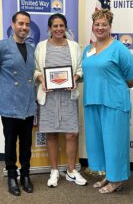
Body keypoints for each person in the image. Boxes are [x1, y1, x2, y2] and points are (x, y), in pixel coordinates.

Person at [82, 9, 133, 194]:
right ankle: (109, 175)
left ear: (110, 26)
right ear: (93, 26)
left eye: (104, 24)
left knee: (115, 143)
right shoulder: (87, 50)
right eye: (97, 24)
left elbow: (131, 77)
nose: (100, 27)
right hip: (93, 101)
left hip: (114, 102)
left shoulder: (119, 48)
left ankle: (117, 180)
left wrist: (114, 88)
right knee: (99, 143)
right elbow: (86, 72)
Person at [0, 11, 36, 196]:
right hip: (9, 103)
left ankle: (26, 175)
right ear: (13, 25)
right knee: (10, 141)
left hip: (28, 103)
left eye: (27, 24)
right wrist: (7, 83)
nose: (24, 27)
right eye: (20, 23)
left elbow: (31, 74)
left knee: (26, 143)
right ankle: (12, 176)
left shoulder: (31, 48)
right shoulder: (0, 46)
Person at [34, 13, 87, 188]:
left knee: (72, 133)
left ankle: (71, 171)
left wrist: (75, 78)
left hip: (68, 96)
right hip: (48, 96)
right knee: (51, 133)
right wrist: (42, 79)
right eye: (55, 26)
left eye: (61, 26)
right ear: (49, 28)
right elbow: (35, 70)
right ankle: (54, 170)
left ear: (65, 28)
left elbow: (80, 69)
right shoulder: (41, 47)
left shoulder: (74, 47)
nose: (58, 29)